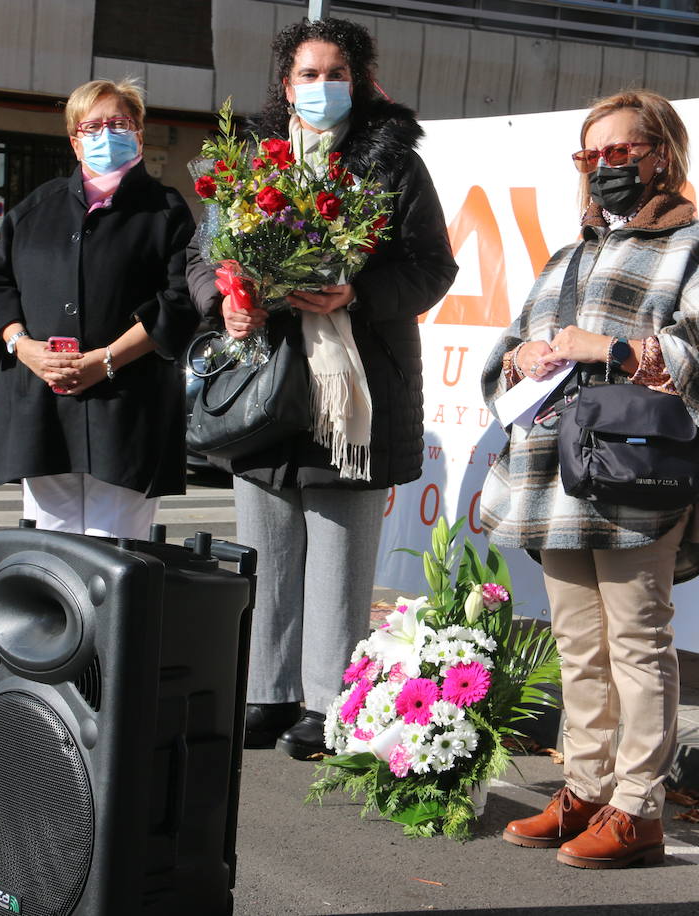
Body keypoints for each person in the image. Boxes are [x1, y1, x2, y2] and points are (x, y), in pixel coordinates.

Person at [480, 90, 699, 867]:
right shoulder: (568, 254)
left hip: (637, 471)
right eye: (588, 155)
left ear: (659, 153)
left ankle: (638, 807)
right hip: (556, 468)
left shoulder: (694, 248)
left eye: (618, 151)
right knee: (577, 641)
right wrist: (522, 357)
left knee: (637, 639)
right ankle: (587, 787)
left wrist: (606, 346)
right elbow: (512, 345)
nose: (602, 168)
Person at [187, 18, 458, 760]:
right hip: (264, 385)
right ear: (285, 85)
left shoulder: (392, 164)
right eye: (307, 74)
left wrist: (355, 294)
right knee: (266, 549)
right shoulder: (249, 164)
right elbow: (201, 256)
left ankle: (325, 703)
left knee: (339, 560)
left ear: (361, 82)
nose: (321, 87)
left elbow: (433, 268)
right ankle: (265, 693)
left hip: (355, 391)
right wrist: (227, 297)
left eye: (335, 73)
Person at [0, 79, 199, 535]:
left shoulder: (166, 210)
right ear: (75, 142)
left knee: (116, 555)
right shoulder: (34, 209)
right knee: (51, 555)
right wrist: (24, 346)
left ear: (138, 133)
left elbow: (179, 300)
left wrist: (107, 360)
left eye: (118, 123)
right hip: (42, 401)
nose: (105, 134)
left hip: (127, 406)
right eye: (92, 126)